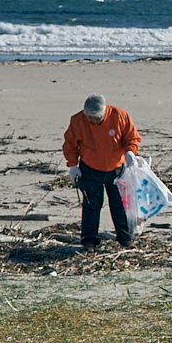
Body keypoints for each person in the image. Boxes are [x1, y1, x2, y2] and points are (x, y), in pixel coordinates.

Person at [62, 93, 142, 249]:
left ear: (104, 112)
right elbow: (70, 144)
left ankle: (126, 239)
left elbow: (132, 138)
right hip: (90, 169)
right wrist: (73, 165)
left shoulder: (119, 115)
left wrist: (130, 152)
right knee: (91, 205)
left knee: (119, 206)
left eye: (97, 117)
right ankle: (89, 241)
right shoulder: (77, 121)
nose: (93, 121)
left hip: (116, 169)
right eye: (90, 117)